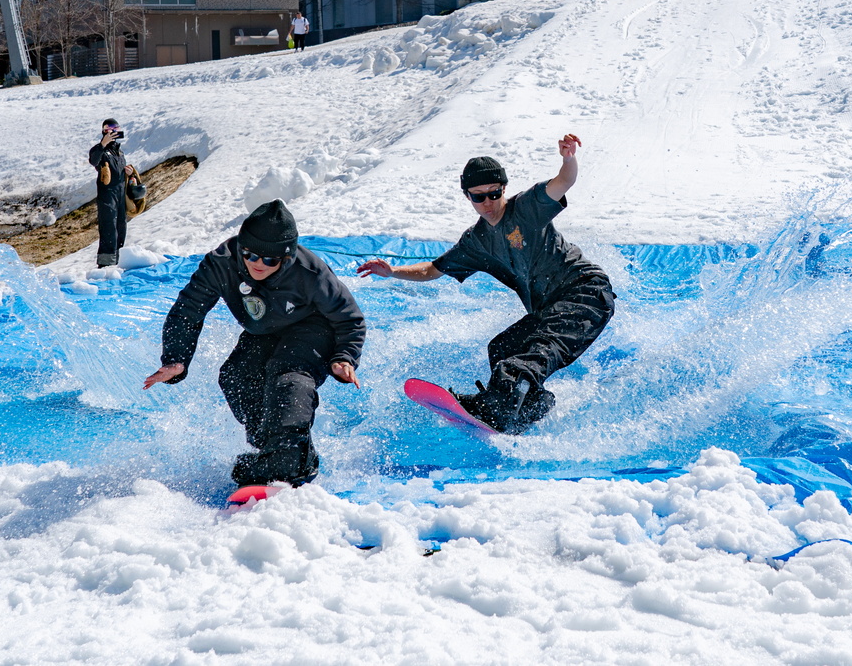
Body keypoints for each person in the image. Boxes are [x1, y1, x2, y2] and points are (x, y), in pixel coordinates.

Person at [356, 135, 615, 435]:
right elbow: (433, 269)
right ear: (468, 196)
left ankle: (500, 406)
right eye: (478, 197)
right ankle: (528, 407)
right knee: (503, 348)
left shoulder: (527, 208)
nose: (488, 203)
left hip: (586, 293)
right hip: (550, 309)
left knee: (529, 358)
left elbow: (563, 182)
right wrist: (393, 272)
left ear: (504, 189)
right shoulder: (476, 241)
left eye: (494, 194)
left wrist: (568, 160)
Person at [144, 200, 366, 487]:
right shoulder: (221, 263)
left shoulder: (310, 273)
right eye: (249, 254)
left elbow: (350, 318)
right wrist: (176, 359)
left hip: (314, 326)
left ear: (285, 258)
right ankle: (276, 448)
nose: (257, 264)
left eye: (270, 260)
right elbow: (189, 309)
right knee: (236, 376)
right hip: (264, 330)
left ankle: (290, 458)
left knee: (289, 373)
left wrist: (345, 357)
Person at [88, 118, 127, 268]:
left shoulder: (119, 151)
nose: (112, 130)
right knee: (109, 227)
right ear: (103, 131)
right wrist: (102, 144)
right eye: (108, 127)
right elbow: (93, 160)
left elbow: (118, 172)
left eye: (115, 127)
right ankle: (105, 264)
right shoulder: (100, 150)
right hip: (107, 194)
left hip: (120, 192)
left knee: (121, 225)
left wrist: (127, 171)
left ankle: (118, 260)